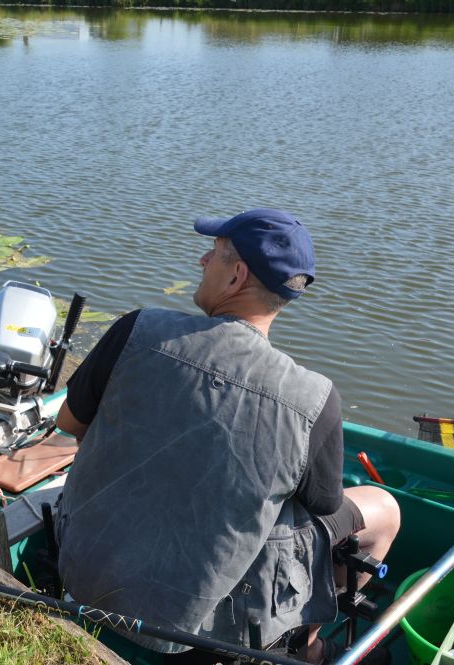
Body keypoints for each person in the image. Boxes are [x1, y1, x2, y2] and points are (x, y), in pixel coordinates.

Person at [55, 209, 401, 663]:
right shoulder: (315, 398)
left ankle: (308, 645)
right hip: (190, 630)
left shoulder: (136, 329)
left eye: (214, 255)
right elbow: (320, 505)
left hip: (79, 575)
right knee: (384, 508)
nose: (201, 261)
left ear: (237, 276)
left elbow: (69, 422)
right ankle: (311, 647)